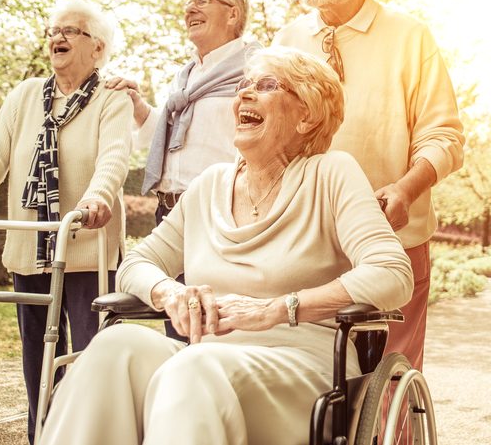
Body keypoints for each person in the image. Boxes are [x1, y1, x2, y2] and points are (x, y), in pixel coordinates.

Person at [41, 47, 413, 445]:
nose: (245, 95)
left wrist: (276, 309)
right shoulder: (209, 184)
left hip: (300, 367)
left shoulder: (330, 174)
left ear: (307, 116)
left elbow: (391, 273)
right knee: (116, 345)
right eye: (243, 86)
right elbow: (138, 262)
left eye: (266, 85)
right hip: (205, 363)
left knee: (194, 367)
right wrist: (172, 294)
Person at [0, 0, 132, 444]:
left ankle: (90, 435)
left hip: (85, 244)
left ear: (98, 48)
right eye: (53, 29)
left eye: (71, 30)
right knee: (36, 353)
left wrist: (95, 200)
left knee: (90, 353)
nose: (57, 37)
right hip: (30, 244)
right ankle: (42, 434)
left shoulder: (112, 98)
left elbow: (113, 159)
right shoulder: (26, 95)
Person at [274, 0, 464, 371]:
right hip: (304, 235)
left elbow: (445, 136)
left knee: (388, 377)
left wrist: (406, 189)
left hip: (388, 235)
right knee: (303, 373)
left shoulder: (409, 36)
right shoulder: (288, 41)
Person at [106, 0, 259, 341]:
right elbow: (179, 135)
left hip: (221, 213)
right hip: (171, 211)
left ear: (233, 13)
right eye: (189, 2)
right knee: (178, 318)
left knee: (217, 325)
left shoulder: (254, 67)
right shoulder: (187, 75)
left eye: (203, 1)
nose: (190, 9)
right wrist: (139, 106)